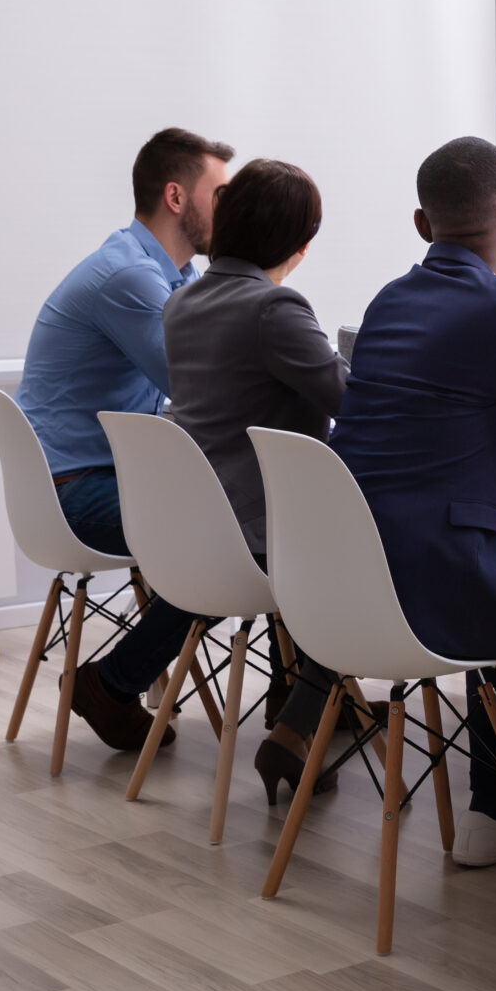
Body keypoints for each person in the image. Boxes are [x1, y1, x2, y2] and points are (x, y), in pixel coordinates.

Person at [328, 137, 496, 867]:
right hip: (450, 594)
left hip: (353, 581)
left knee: (480, 530)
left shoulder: (388, 302)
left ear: (420, 223)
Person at [16, 126, 230, 755]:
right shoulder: (132, 278)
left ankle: (301, 705)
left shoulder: (172, 274)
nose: (234, 211)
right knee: (237, 544)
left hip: (100, 477)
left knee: (256, 528)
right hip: (76, 493)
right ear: (175, 197)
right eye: (222, 194)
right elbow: (196, 384)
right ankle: (112, 684)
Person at [159, 157, 350, 804]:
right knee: (372, 566)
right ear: (298, 243)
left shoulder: (182, 302)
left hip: (201, 529)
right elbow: (345, 397)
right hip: (263, 534)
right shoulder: (274, 306)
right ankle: (296, 727)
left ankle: (305, 706)